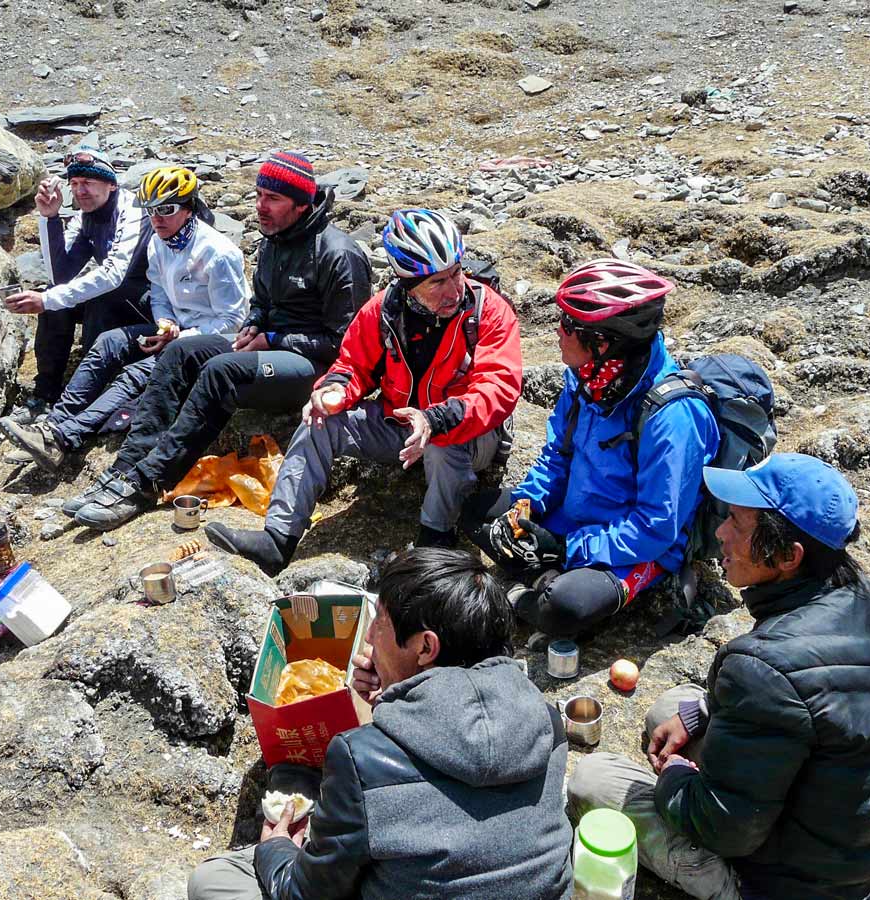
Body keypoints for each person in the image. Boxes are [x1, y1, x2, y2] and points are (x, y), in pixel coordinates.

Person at [567, 453, 870, 900]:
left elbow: (723, 830)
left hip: (788, 884)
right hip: (857, 848)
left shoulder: (764, 668)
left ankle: (728, 888)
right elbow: (806, 706)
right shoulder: (869, 598)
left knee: (593, 781)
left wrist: (677, 777)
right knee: (673, 706)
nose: (720, 532)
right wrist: (701, 714)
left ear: (788, 556)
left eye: (736, 522)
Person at [187, 547, 574, 900]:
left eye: (380, 623)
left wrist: (276, 848)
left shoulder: (362, 760)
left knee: (214, 881)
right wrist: (391, 703)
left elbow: (304, 893)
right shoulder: (547, 721)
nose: (370, 636)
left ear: (426, 647)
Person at [203, 209, 522, 575]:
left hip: (468, 433)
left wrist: (433, 419)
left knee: (442, 440)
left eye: (456, 272)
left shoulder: (489, 312)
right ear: (407, 282)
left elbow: (498, 388)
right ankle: (278, 539)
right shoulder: (385, 310)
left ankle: (436, 541)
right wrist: (333, 392)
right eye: (437, 282)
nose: (454, 289)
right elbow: (351, 364)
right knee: (318, 423)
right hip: (398, 423)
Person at [68, 151, 372, 530]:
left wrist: (273, 336)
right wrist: (255, 324)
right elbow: (260, 300)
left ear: (302, 203)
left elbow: (347, 345)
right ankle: (123, 469)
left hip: (317, 369)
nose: (261, 207)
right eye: (259, 195)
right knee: (180, 352)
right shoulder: (274, 239)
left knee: (221, 371)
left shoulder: (338, 255)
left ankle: (146, 483)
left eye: (273, 199)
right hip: (269, 347)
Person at [463, 259, 719, 639]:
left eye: (569, 326)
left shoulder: (673, 417)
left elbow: (655, 527)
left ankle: (531, 592)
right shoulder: (586, 378)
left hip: (636, 547)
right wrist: (529, 505)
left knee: (565, 607)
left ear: (603, 343)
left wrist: (566, 549)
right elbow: (558, 456)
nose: (557, 331)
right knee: (474, 512)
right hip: (574, 514)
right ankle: (543, 575)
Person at [0, 166, 248, 470]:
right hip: (175, 328)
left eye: (166, 210)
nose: (156, 219)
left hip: (209, 339)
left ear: (189, 208)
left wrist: (181, 338)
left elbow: (234, 320)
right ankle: (53, 422)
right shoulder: (160, 241)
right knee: (109, 342)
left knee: (137, 374)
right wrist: (165, 323)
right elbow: (159, 292)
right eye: (151, 210)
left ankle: (64, 437)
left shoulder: (218, 253)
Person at [2, 145, 153, 423]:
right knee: (55, 297)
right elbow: (60, 275)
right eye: (74, 184)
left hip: (153, 304)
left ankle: (85, 395)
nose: (80, 191)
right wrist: (49, 218)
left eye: (88, 183)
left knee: (98, 297)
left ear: (111, 184)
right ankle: (45, 393)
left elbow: (114, 273)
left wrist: (47, 299)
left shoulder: (132, 210)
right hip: (119, 296)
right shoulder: (86, 217)